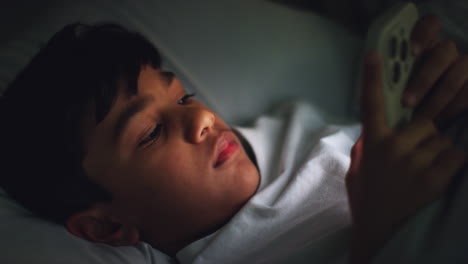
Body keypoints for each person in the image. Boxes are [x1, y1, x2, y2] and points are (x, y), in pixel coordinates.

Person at [0, 14, 466, 264]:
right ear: (105, 227)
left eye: (184, 99)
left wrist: (437, 89)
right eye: (152, 133)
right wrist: (381, 235)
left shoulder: (294, 128)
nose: (201, 117)